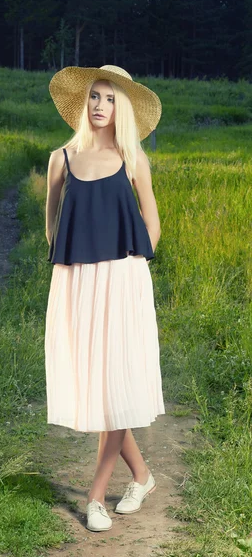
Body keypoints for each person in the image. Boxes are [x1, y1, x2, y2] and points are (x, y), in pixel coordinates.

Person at [44, 65, 165, 532]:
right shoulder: (62, 158)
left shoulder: (132, 157)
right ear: (83, 102)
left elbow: (152, 223)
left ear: (123, 108)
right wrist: (76, 267)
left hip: (123, 278)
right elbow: (53, 225)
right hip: (77, 280)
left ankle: (95, 497)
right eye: (95, 96)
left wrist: (133, 271)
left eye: (111, 99)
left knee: (115, 381)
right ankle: (142, 475)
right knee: (98, 386)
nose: (100, 106)